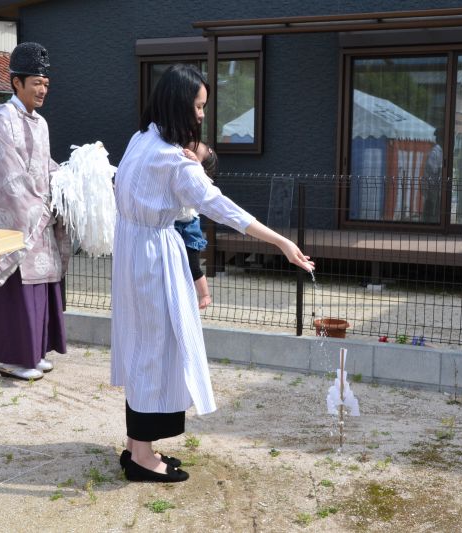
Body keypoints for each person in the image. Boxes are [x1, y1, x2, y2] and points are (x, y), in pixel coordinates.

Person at [111, 64, 313, 483]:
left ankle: (136, 446)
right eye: (198, 107)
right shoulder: (175, 162)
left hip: (131, 253)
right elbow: (224, 209)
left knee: (141, 344)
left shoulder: (141, 139)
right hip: (154, 259)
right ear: (181, 105)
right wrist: (282, 242)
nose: (202, 115)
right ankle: (142, 458)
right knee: (156, 348)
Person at [0, 42, 71, 381]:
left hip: (38, 213)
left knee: (43, 285)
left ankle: (36, 350)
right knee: (18, 290)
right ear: (17, 83)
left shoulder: (40, 123)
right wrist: (37, 205)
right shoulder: (0, 123)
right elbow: (4, 176)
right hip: (16, 219)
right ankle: (15, 357)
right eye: (36, 83)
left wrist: (68, 182)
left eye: (46, 84)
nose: (43, 90)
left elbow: (44, 166)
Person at [177, 142, 218, 309]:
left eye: (194, 152)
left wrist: (196, 165)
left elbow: (202, 182)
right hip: (170, 223)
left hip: (188, 225)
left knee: (193, 264)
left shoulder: (201, 176)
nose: (189, 152)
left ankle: (205, 295)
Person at [422, 129, 443, 224]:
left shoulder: (440, 151)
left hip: (435, 184)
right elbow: (431, 168)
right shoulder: (436, 151)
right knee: (431, 205)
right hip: (433, 184)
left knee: (434, 205)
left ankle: (431, 221)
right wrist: (440, 169)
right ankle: (429, 223)